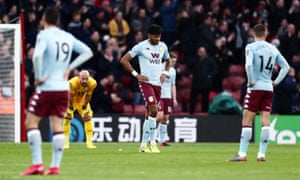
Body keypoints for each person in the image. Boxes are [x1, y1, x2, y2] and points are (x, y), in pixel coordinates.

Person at [21, 8, 93, 176]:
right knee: (57, 126)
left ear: (44, 19)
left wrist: (38, 77)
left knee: (30, 123)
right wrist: (70, 68)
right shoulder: (67, 36)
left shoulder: (44, 35)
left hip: (46, 87)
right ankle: (54, 167)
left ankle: (38, 164)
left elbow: (37, 56)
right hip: (63, 88)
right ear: (58, 21)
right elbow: (87, 51)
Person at [227, 24, 289, 162]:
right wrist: (276, 81)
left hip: (255, 87)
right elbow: (286, 67)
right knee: (265, 122)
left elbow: (248, 65)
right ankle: (261, 154)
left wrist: (250, 81)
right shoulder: (273, 49)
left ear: (254, 34)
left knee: (247, 121)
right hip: (268, 87)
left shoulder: (251, 47)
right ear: (266, 34)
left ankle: (242, 154)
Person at [120, 24, 170, 153]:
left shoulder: (163, 46)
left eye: (158, 37)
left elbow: (168, 60)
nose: (157, 40)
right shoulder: (141, 47)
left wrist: (165, 73)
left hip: (158, 84)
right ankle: (153, 143)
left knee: (149, 113)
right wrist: (136, 75)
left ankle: (143, 145)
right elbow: (124, 60)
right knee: (154, 110)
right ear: (148, 36)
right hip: (145, 83)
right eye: (154, 37)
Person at [63, 70, 97, 149]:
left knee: (87, 118)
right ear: (79, 78)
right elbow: (70, 96)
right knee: (67, 118)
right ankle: (66, 142)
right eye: (83, 79)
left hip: (82, 100)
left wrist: (84, 106)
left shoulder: (93, 83)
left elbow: (88, 95)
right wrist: (70, 108)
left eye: (86, 79)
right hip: (71, 101)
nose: (85, 81)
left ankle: (89, 143)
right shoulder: (72, 83)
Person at [156, 52, 177, 146]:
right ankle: (150, 135)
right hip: (159, 95)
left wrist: (174, 98)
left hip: (167, 96)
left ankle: (162, 140)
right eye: (172, 61)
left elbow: (173, 85)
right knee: (159, 116)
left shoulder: (173, 71)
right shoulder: (159, 68)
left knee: (165, 118)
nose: (173, 64)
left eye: (174, 62)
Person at [189, 46, 218, 114]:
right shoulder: (195, 60)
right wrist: (190, 74)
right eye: (200, 52)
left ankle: (204, 113)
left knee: (205, 99)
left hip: (205, 83)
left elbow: (215, 69)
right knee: (193, 99)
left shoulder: (210, 60)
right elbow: (189, 69)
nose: (201, 53)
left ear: (205, 52)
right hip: (196, 82)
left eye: (202, 52)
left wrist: (209, 76)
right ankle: (191, 113)